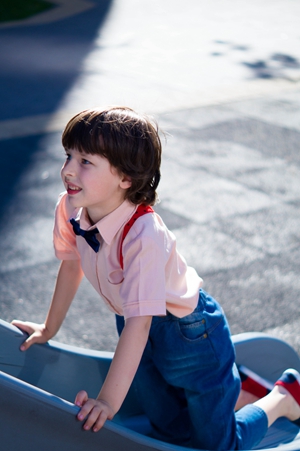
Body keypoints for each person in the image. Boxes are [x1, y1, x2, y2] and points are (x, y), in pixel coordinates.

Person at [12, 106, 300, 450]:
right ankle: (235, 390)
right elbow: (72, 265)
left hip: (189, 334)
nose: (68, 170)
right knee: (168, 430)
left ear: (125, 178)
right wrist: (49, 328)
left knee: (220, 444)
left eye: (85, 161)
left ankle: (282, 396)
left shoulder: (143, 234)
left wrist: (106, 402)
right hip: (135, 322)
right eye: (68, 155)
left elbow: (140, 324)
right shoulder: (72, 208)